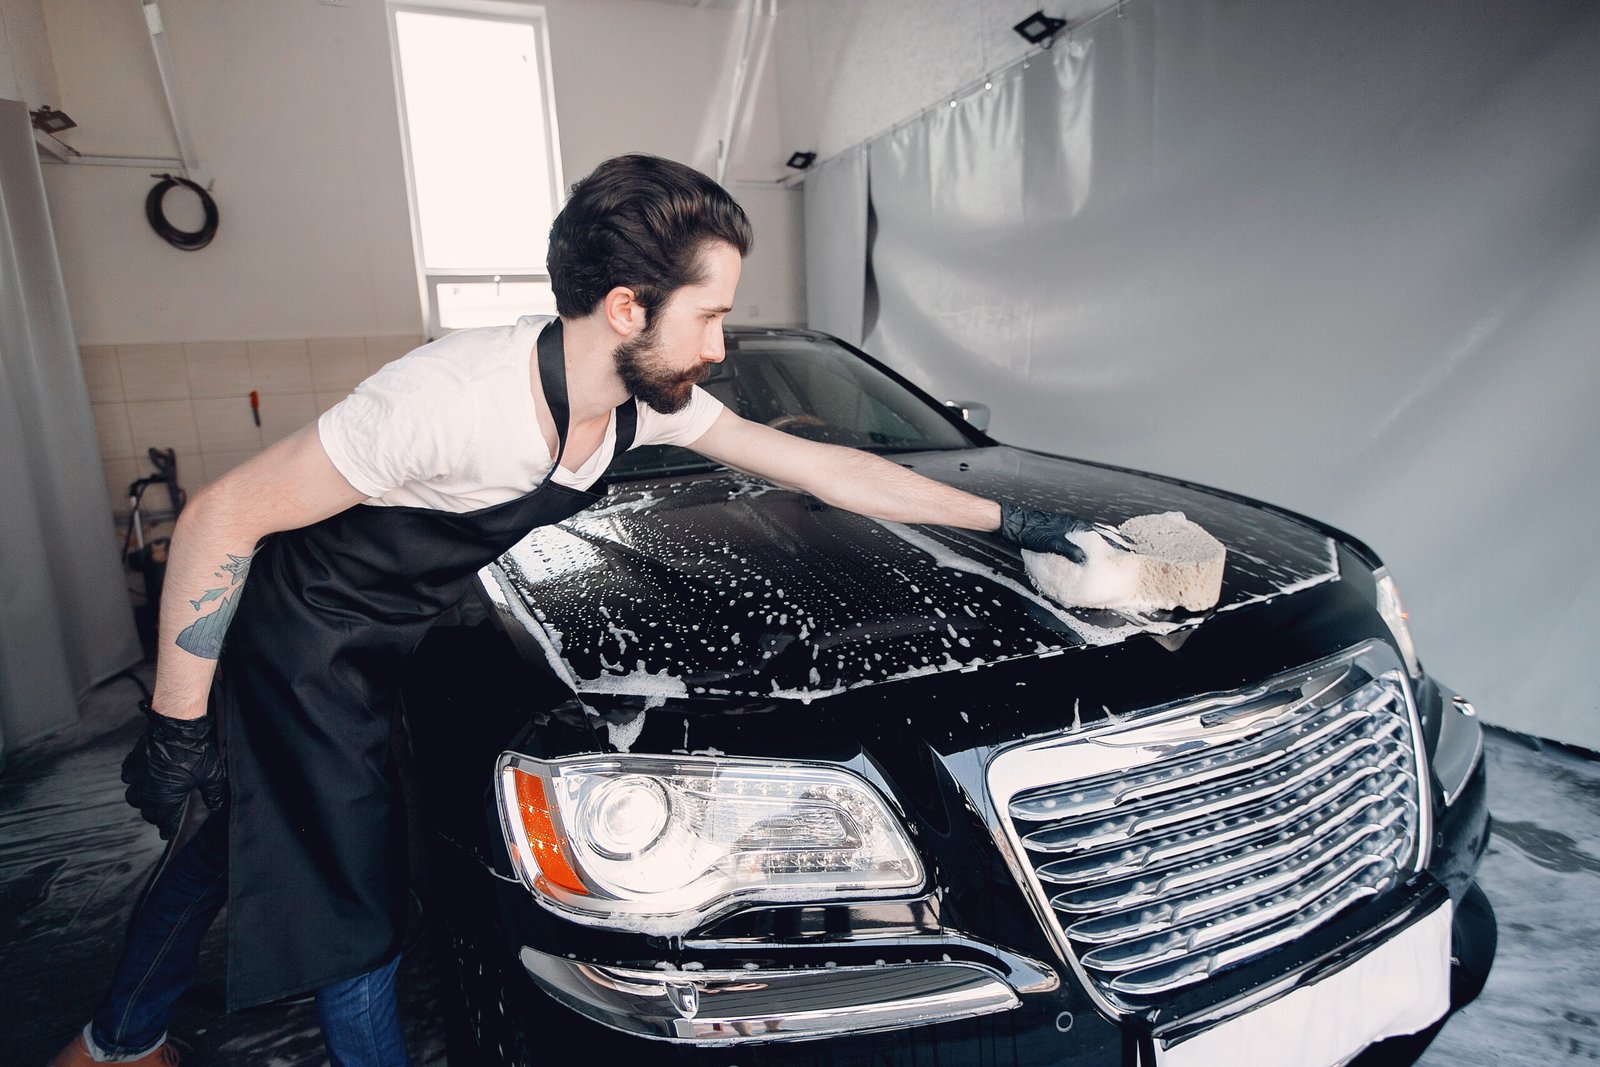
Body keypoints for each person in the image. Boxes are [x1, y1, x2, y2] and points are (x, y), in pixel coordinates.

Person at [51, 154, 1114, 1067]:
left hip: (400, 624)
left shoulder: (643, 401)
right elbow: (221, 517)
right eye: (709, 313)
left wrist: (1006, 518)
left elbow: (823, 466)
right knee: (353, 896)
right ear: (624, 309)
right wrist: (179, 723)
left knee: (231, 838)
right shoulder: (443, 400)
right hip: (307, 642)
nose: (717, 342)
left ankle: (114, 1039)